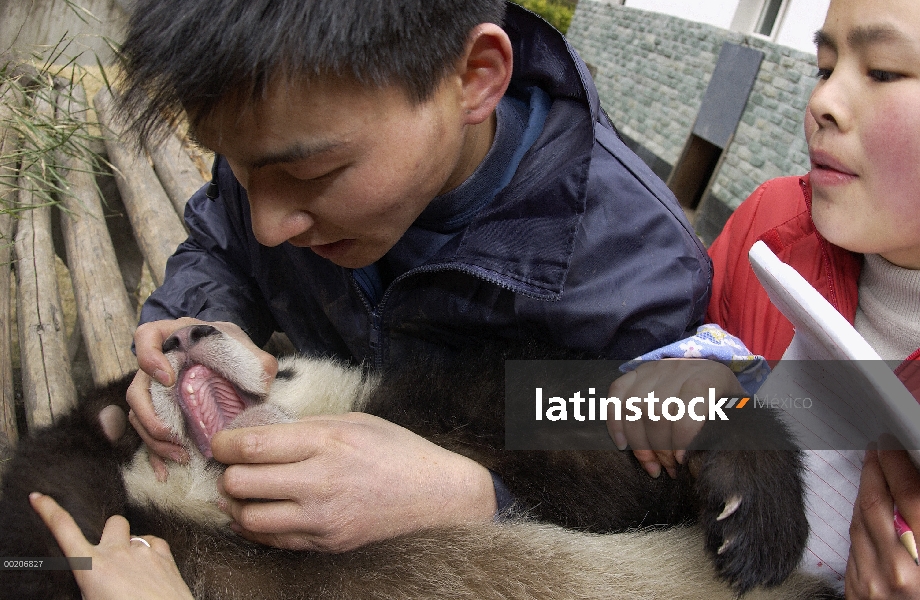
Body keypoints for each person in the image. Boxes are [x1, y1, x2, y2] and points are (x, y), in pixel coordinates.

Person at [111, 0, 710, 556]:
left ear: (474, 78)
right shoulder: (279, 117)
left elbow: (658, 503)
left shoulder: (637, 273)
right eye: (238, 165)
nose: (267, 225)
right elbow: (223, 244)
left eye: (312, 171)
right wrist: (201, 323)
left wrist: (478, 500)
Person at [611, 0, 920, 596]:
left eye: (882, 70)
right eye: (824, 66)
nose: (822, 103)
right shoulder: (770, 223)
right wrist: (691, 389)